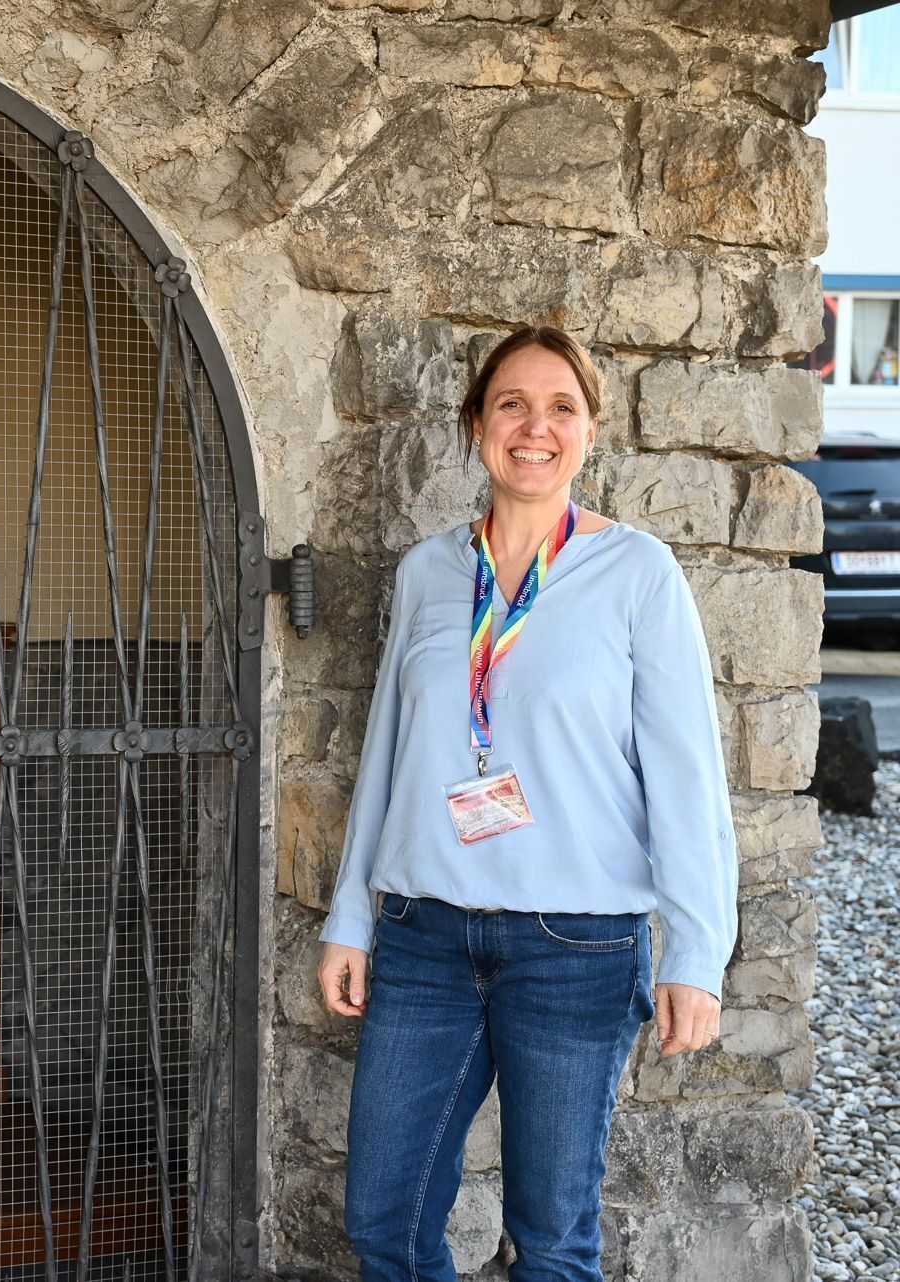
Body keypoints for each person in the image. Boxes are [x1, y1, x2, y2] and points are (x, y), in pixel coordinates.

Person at [314, 325, 737, 1281]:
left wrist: (696, 952)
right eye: (511, 404)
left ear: (590, 431)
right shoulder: (427, 572)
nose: (534, 427)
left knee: (549, 1243)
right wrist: (350, 916)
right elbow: (388, 754)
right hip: (423, 937)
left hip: (575, 949)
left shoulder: (638, 574)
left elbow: (686, 776)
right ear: (476, 426)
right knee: (384, 1222)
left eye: (561, 408)